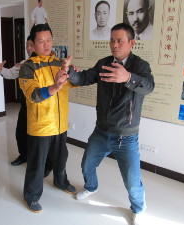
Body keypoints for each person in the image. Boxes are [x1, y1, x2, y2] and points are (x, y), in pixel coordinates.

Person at [64, 23, 155, 225]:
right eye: (112, 40)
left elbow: (149, 86)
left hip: (127, 136)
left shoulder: (140, 66)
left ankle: (139, 208)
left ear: (131, 43)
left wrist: (128, 77)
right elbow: (83, 78)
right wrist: (69, 71)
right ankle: (91, 187)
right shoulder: (104, 62)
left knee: (132, 182)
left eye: (120, 40)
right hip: (101, 132)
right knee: (87, 163)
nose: (115, 44)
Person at [18, 24, 76, 213]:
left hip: (60, 123)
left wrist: (71, 71)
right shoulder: (27, 67)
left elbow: (75, 83)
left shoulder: (59, 62)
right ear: (32, 45)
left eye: (49, 40)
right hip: (41, 125)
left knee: (61, 158)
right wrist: (55, 86)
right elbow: (33, 95)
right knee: (37, 164)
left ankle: (61, 181)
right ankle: (32, 196)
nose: (46, 44)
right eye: (41, 41)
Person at [0, 36, 33, 166]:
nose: (28, 48)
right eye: (27, 45)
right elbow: (10, 74)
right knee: (21, 132)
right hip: (26, 104)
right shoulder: (23, 63)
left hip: (42, 105)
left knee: (39, 136)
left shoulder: (47, 64)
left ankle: (41, 162)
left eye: (31, 45)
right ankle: (24, 155)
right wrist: (0, 69)